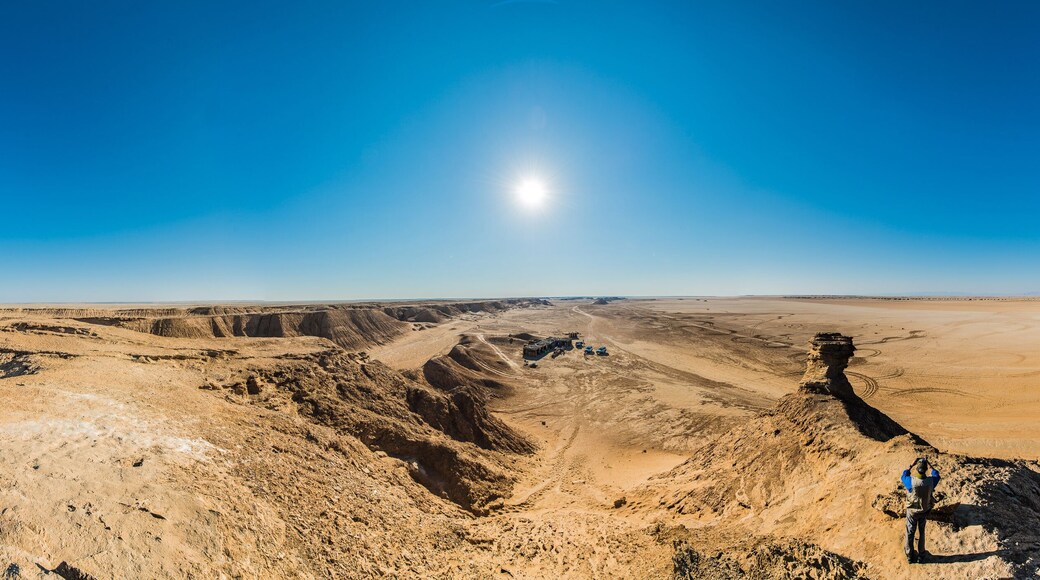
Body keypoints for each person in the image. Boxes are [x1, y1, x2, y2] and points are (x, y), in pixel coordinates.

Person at [901, 457, 940, 564]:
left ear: (917, 469)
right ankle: (921, 554)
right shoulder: (931, 481)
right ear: (926, 469)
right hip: (924, 510)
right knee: (921, 532)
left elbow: (903, 476)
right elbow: (937, 474)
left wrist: (910, 465)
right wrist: (930, 465)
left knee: (910, 532)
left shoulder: (911, 481)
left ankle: (909, 555)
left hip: (912, 511)